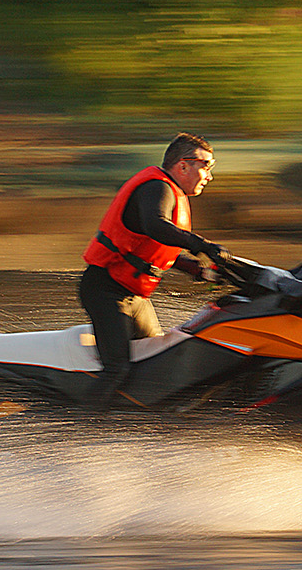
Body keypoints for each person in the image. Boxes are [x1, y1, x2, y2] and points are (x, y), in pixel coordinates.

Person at [79, 133, 227, 407]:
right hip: (106, 290)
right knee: (118, 368)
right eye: (206, 165)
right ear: (184, 165)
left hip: (133, 297)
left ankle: (138, 420)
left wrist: (198, 270)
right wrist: (202, 245)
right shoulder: (156, 188)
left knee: (155, 361)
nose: (209, 175)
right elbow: (155, 226)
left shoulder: (170, 191)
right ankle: (75, 432)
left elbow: (153, 249)